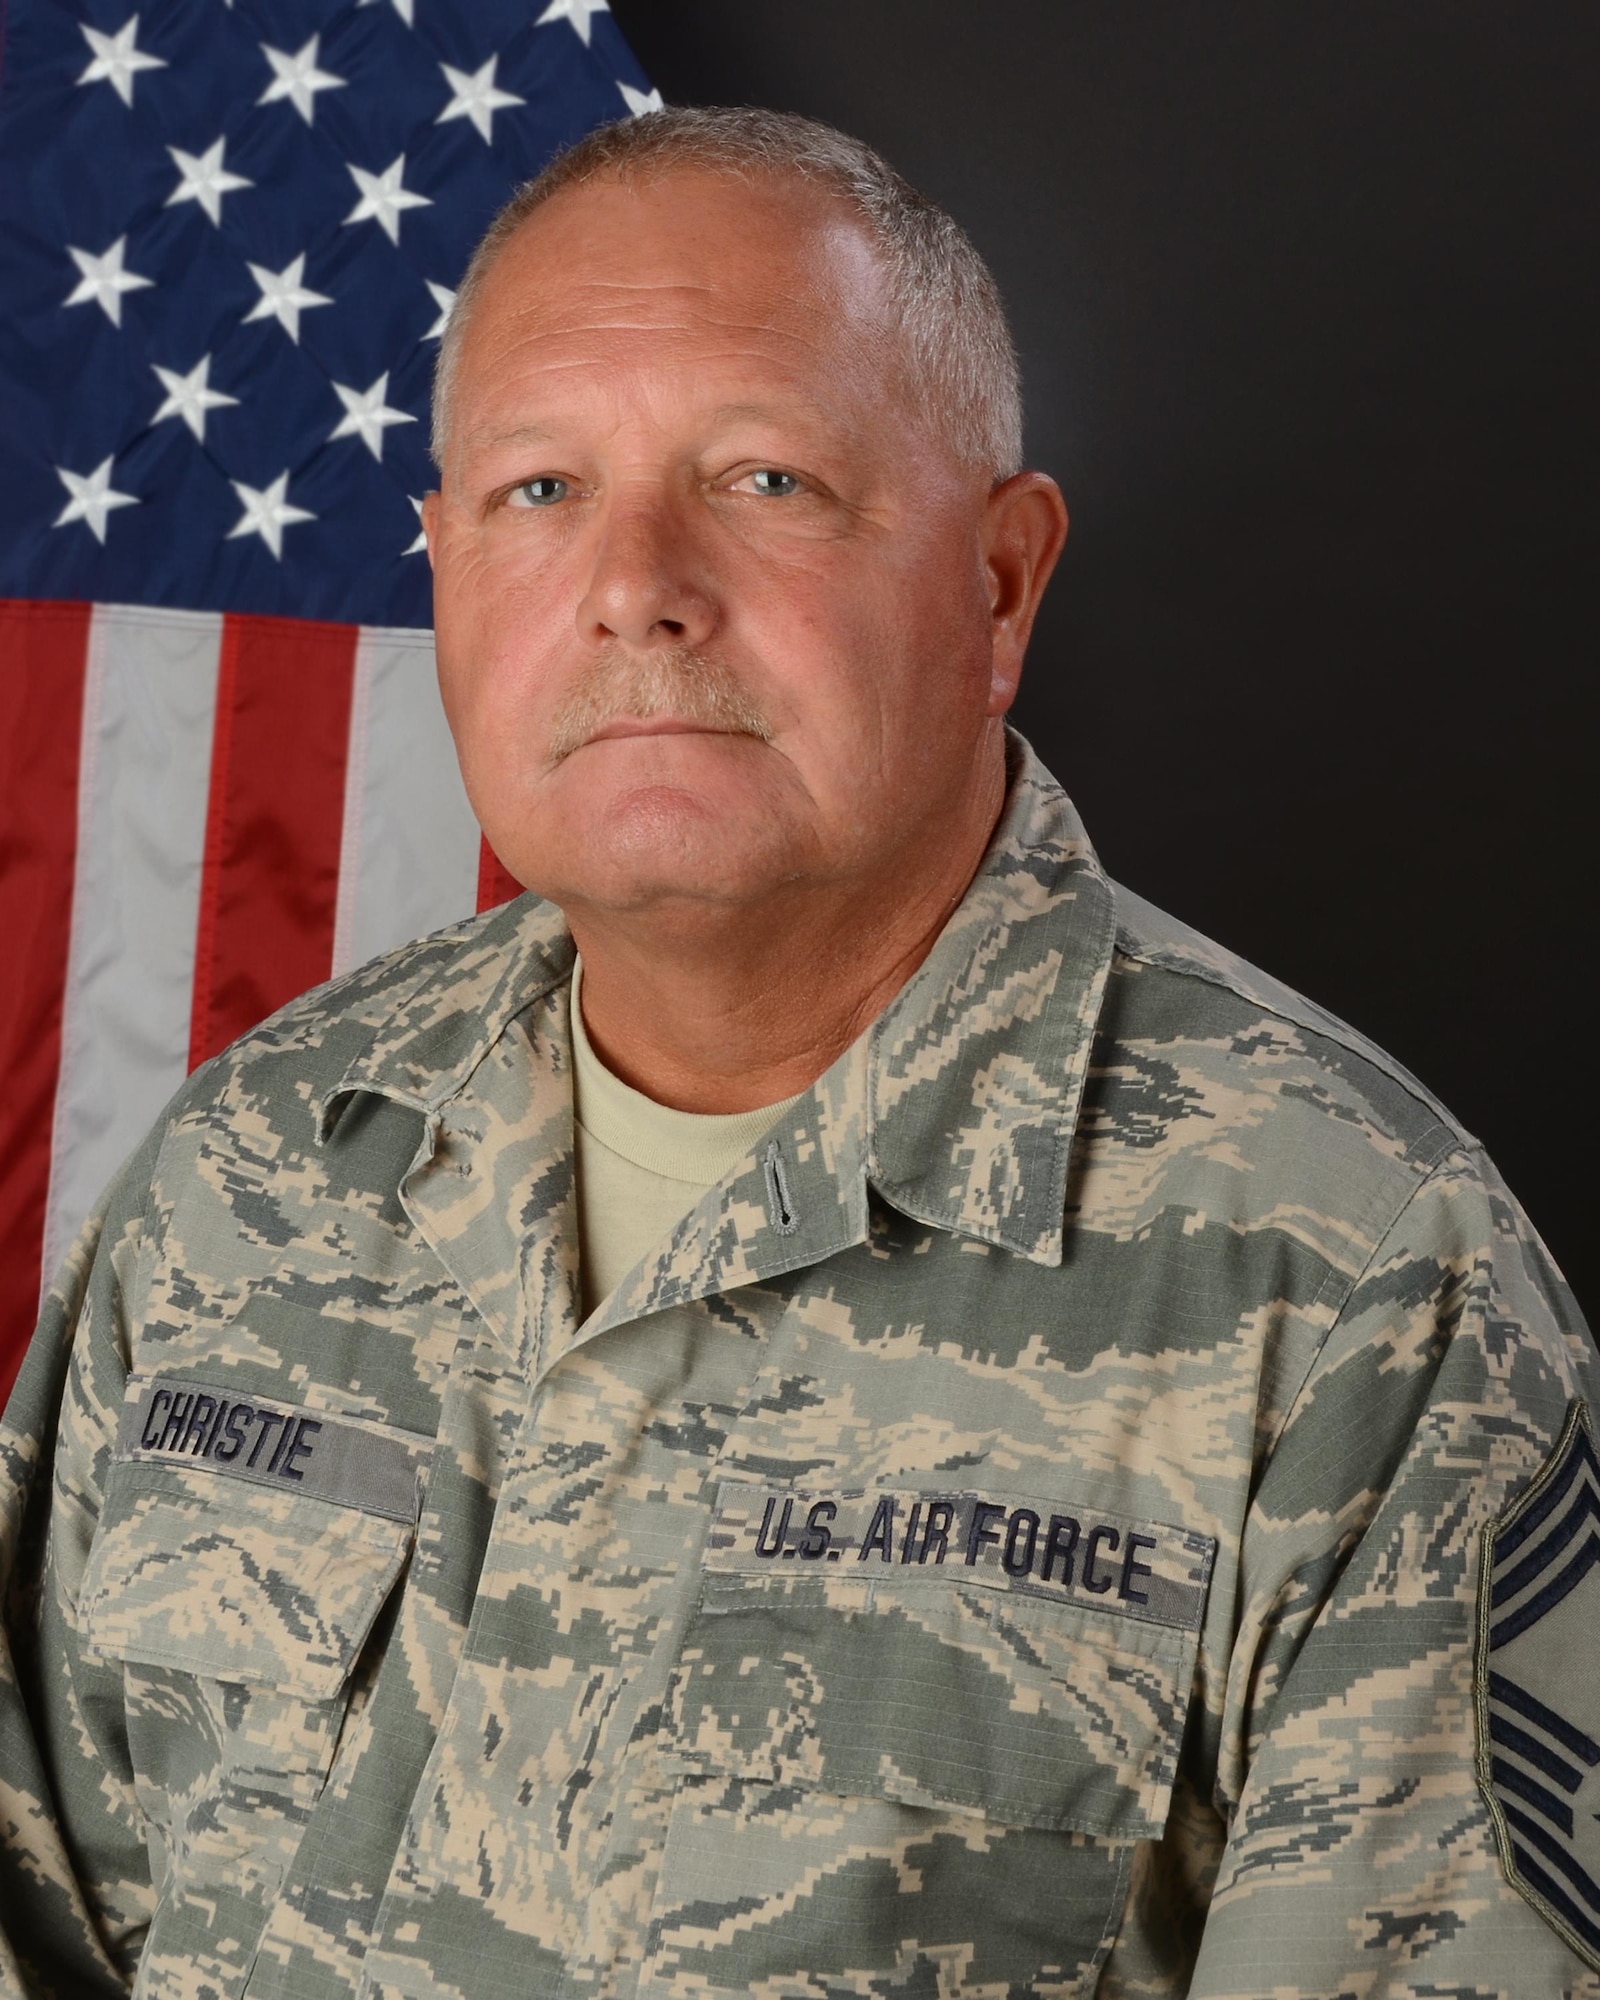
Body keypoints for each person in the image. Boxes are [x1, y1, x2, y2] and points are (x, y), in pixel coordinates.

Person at [1, 107, 1595, 2000]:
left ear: (1000, 585)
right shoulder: (249, 1177)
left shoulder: (1358, 1293)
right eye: (537, 491)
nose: (636, 584)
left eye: (762, 478)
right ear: (438, 568)